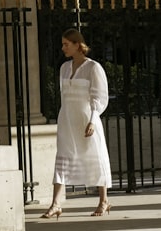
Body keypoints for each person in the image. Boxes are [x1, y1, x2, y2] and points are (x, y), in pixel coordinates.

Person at [41, 28, 113, 219]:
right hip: (67, 120)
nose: (63, 47)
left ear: (77, 45)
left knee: (95, 155)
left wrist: (92, 119)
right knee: (63, 156)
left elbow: (99, 97)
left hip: (87, 119)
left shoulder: (93, 68)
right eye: (62, 43)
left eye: (66, 44)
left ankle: (104, 201)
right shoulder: (64, 68)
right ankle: (56, 203)